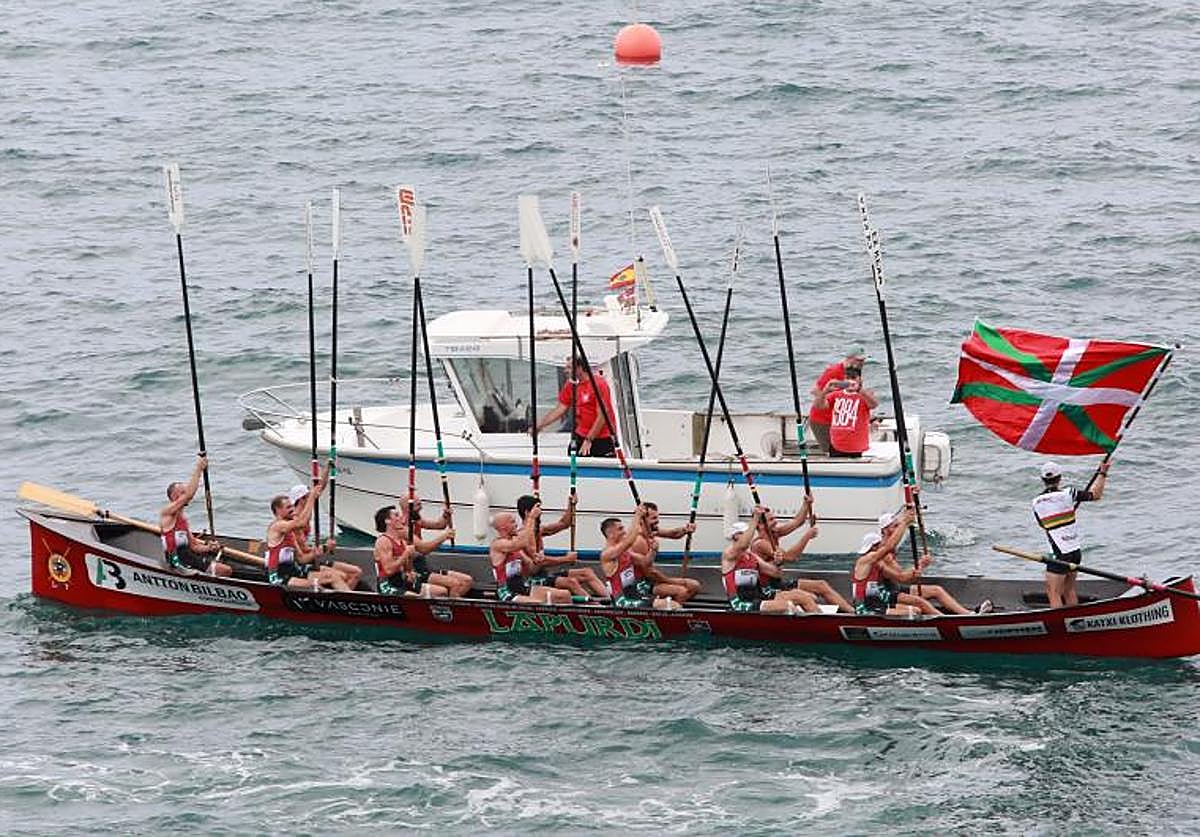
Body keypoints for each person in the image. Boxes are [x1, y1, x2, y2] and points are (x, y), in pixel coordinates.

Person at [851, 508, 991, 616]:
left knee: (935, 591)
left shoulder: (879, 559)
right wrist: (905, 523)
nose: (877, 547)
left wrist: (920, 566)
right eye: (895, 526)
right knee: (918, 606)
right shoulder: (874, 556)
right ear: (885, 530)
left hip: (885, 593)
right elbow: (891, 550)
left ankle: (968, 615)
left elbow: (902, 577)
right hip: (878, 599)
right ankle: (946, 622)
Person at [749, 497, 854, 613]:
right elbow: (789, 557)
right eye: (771, 520)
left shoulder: (774, 532)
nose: (776, 522)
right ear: (760, 526)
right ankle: (820, 619)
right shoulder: (760, 544)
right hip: (768, 588)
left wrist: (806, 503)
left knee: (821, 585)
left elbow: (797, 522)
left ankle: (852, 612)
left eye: (774, 518)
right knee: (807, 597)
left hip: (777, 582)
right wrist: (807, 537)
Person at [1033, 461, 1108, 608]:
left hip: (1058, 554)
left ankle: (1061, 625)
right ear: (1059, 478)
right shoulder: (1069, 494)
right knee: (1069, 590)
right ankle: (1075, 623)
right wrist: (1103, 473)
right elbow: (1095, 495)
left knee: (1053, 592)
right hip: (1075, 551)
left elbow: (1043, 525)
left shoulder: (1036, 502)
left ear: (1042, 480)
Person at [721, 508, 818, 614]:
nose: (749, 535)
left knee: (803, 597)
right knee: (787, 605)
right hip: (741, 603)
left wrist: (778, 562)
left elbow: (776, 573)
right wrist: (756, 518)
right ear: (735, 536)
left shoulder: (752, 557)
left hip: (759, 597)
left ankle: (823, 623)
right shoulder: (728, 555)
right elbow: (743, 544)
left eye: (748, 533)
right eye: (744, 533)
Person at [265, 477, 351, 591]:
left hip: (294, 571)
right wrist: (311, 497)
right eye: (288, 507)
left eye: (292, 506)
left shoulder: (289, 531)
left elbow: (301, 559)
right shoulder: (278, 526)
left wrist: (323, 549)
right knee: (320, 587)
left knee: (334, 577)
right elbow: (301, 522)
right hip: (278, 576)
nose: (292, 510)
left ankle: (348, 601)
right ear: (278, 510)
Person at [515, 495, 607, 600]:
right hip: (531, 581)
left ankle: (611, 600)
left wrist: (571, 505)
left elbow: (564, 523)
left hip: (544, 575)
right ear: (527, 512)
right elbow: (538, 563)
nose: (541, 511)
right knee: (571, 582)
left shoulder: (539, 530)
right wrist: (566, 559)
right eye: (538, 507)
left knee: (586, 572)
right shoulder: (522, 535)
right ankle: (594, 607)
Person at [159, 455, 232, 577]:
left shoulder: (182, 519)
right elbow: (189, 495)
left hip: (188, 558)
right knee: (225, 571)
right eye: (182, 492)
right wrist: (199, 468)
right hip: (176, 561)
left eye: (184, 491)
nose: (185, 494)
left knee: (226, 569)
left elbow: (194, 546)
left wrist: (209, 548)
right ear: (173, 497)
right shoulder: (167, 512)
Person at [533, 357, 618, 457]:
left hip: (603, 437)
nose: (565, 371)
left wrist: (589, 440)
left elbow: (602, 415)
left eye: (569, 368)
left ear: (579, 368)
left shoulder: (599, 385)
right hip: (581, 434)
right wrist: (540, 425)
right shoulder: (571, 385)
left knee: (603, 468)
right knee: (573, 461)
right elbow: (560, 409)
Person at [599, 506, 680, 609]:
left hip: (635, 593)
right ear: (610, 534)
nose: (624, 531)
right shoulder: (607, 554)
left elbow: (645, 562)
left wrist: (653, 551)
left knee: (673, 602)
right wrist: (637, 516)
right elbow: (629, 541)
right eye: (620, 529)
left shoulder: (625, 551)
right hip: (622, 600)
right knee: (673, 605)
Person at [286, 483, 363, 591]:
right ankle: (342, 598)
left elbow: (320, 487)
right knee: (342, 576)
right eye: (309, 496)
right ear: (302, 499)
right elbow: (302, 557)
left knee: (356, 572)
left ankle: (341, 599)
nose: (313, 498)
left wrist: (329, 466)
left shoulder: (305, 514)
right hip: (304, 566)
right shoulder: (296, 522)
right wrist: (325, 547)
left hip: (311, 560)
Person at [372, 505, 460, 597]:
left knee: (441, 591)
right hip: (387, 583)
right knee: (415, 597)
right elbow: (388, 570)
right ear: (387, 521)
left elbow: (407, 567)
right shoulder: (383, 541)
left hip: (402, 580)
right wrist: (406, 554)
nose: (401, 517)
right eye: (397, 515)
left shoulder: (402, 541)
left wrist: (409, 572)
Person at [489, 508, 570, 604]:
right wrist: (531, 518)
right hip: (507, 590)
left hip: (521, 586)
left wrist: (537, 561)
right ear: (503, 527)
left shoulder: (516, 549)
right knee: (538, 603)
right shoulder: (498, 545)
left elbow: (532, 568)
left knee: (564, 595)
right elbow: (521, 542)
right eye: (512, 522)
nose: (516, 525)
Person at [396, 498, 472, 596]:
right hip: (415, 571)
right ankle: (449, 607)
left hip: (424, 568)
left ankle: (446, 601)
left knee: (467, 580)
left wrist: (445, 516)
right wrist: (444, 537)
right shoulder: (404, 529)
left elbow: (439, 525)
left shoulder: (417, 520)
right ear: (408, 506)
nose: (420, 503)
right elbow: (424, 549)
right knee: (455, 584)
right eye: (417, 502)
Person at [630, 502, 702, 604]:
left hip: (651, 581)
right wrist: (673, 581)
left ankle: (666, 605)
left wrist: (685, 529)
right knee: (682, 591)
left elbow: (672, 534)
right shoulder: (639, 541)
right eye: (653, 518)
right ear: (642, 520)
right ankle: (669, 611)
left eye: (657, 517)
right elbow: (649, 572)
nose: (657, 521)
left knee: (694, 586)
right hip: (641, 585)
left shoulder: (650, 531)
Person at [808, 348, 867, 454]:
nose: (862, 363)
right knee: (832, 453)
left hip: (839, 421)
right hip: (822, 420)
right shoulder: (834, 371)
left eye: (863, 360)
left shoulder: (854, 373)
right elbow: (815, 390)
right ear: (849, 359)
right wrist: (827, 396)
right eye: (859, 360)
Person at [819, 365, 879, 457]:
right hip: (836, 445)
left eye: (853, 378)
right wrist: (825, 391)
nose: (850, 381)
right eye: (847, 378)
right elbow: (820, 406)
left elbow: (874, 404)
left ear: (860, 380)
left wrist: (859, 389)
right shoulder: (835, 395)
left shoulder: (865, 395)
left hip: (857, 447)